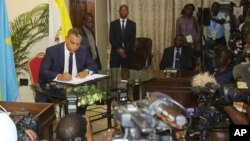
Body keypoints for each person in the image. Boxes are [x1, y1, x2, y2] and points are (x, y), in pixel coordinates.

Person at [37, 28, 98, 102]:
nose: (75, 46)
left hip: (76, 87)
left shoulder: (83, 50)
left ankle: (78, 113)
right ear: (66, 39)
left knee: (88, 95)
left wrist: (86, 71)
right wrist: (60, 76)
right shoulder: (52, 51)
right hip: (55, 87)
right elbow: (43, 72)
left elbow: (93, 66)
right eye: (72, 43)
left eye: (78, 44)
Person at [109, 5, 136, 69]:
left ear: (128, 12)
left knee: (126, 75)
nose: (123, 12)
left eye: (125, 10)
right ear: (119, 11)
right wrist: (120, 50)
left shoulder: (132, 24)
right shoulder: (113, 24)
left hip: (127, 54)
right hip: (115, 53)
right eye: (122, 10)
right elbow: (111, 39)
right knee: (114, 75)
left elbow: (132, 39)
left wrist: (123, 50)